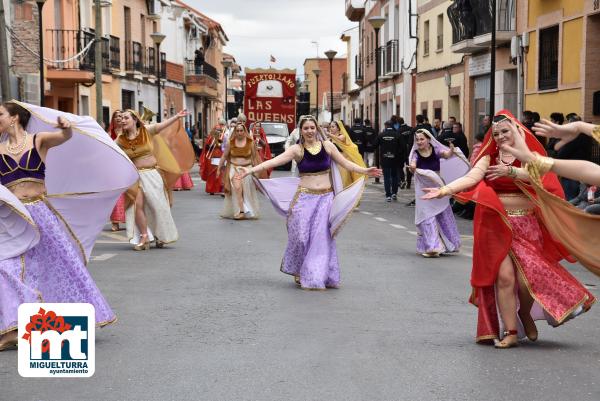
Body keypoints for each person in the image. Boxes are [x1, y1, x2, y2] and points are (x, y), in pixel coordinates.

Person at [422, 110, 595, 348]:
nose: (501, 136)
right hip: (497, 225)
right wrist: (445, 190)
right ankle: (511, 332)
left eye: (506, 131)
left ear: (516, 130)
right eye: (496, 133)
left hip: (527, 225)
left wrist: (512, 171)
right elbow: (472, 177)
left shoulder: (527, 154)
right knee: (504, 278)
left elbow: (536, 176)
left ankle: (524, 313)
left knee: (525, 283)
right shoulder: (489, 157)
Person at [0, 100, 138, 350]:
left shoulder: (38, 140)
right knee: (6, 268)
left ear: (14, 118)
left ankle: (50, 323)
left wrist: (66, 127)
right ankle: (14, 325)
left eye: (0, 114)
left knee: (57, 268)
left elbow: (64, 137)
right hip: (12, 217)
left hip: (40, 213)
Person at [236, 115, 381, 290]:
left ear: (317, 129)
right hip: (304, 198)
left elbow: (346, 163)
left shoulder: (327, 146)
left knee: (320, 238)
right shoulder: (296, 150)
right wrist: (249, 170)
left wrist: (365, 170)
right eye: (306, 128)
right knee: (301, 236)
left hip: (325, 199)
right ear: (301, 131)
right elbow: (274, 161)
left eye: (312, 127)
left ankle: (314, 275)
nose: (310, 131)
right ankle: (299, 268)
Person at [116, 109, 189, 250]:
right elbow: (109, 150)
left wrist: (176, 117)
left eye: (126, 118)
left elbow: (162, 125)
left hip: (152, 174)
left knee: (158, 207)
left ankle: (160, 234)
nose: (122, 120)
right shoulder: (120, 140)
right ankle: (144, 236)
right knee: (137, 205)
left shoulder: (146, 131)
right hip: (135, 177)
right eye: (121, 118)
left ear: (135, 120)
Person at [410, 129, 468, 257]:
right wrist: (412, 167)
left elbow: (447, 155)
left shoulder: (436, 151)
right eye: (417, 139)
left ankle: (450, 244)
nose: (419, 142)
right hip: (423, 189)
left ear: (429, 139)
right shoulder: (415, 154)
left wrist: (452, 149)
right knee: (427, 215)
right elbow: (413, 165)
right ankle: (432, 247)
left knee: (444, 214)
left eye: (422, 139)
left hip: (438, 187)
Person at [218, 123, 261, 220]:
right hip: (234, 169)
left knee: (246, 192)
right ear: (235, 132)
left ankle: (247, 210)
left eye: (241, 130)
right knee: (237, 188)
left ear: (245, 131)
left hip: (247, 170)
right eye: (237, 131)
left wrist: (256, 171)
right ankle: (241, 211)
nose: (239, 133)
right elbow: (224, 156)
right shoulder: (230, 142)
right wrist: (219, 168)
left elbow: (254, 158)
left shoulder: (251, 143)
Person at [327, 120, 366, 188]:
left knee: (343, 181)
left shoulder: (342, 136)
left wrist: (329, 135)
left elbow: (339, 139)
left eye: (333, 127)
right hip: (333, 163)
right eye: (330, 127)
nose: (331, 128)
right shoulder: (330, 138)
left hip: (342, 163)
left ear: (338, 128)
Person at [108, 110, 126, 231]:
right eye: (116, 116)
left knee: (130, 194)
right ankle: (115, 222)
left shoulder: (128, 132)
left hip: (128, 164)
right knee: (116, 195)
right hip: (114, 167)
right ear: (113, 119)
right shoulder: (109, 134)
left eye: (121, 116)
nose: (118, 118)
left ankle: (130, 220)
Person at [377, 120, 402, 201]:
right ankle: (394, 193)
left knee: (387, 177)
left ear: (386, 126)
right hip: (395, 159)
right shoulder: (397, 135)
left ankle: (388, 195)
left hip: (385, 159)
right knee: (395, 176)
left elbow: (374, 144)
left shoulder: (381, 135)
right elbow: (402, 147)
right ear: (393, 126)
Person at [199, 125, 224, 195]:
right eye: (217, 130)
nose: (218, 131)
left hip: (219, 156)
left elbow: (223, 146)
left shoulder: (222, 137)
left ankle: (219, 189)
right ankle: (211, 189)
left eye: (219, 130)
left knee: (219, 172)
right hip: (212, 157)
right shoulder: (210, 137)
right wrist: (211, 146)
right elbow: (206, 148)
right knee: (212, 173)